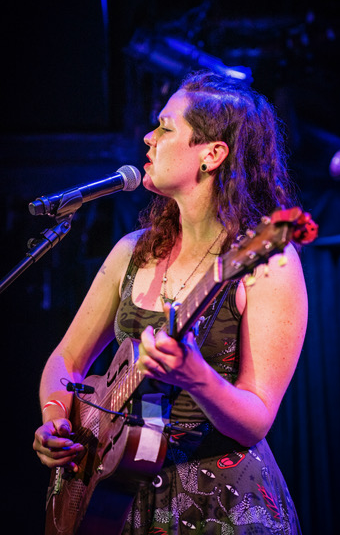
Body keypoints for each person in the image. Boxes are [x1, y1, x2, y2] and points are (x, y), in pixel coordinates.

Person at [33, 70, 308, 534]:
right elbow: (66, 358)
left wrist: (197, 377)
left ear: (211, 154)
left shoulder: (266, 261)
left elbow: (255, 420)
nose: (147, 137)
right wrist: (56, 418)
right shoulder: (132, 251)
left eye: (165, 126)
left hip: (221, 502)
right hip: (120, 494)